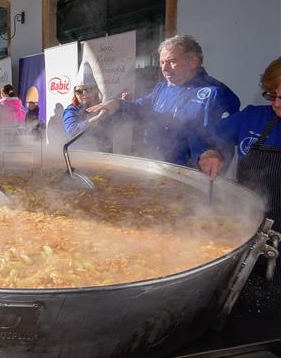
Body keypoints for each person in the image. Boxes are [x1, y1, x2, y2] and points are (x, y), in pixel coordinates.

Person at [88, 34, 240, 167]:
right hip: (153, 165)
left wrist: (211, 155)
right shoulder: (162, 88)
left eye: (171, 61)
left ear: (193, 61)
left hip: (188, 176)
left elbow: (224, 143)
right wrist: (118, 103)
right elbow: (142, 108)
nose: (165, 68)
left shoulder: (216, 94)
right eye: (162, 63)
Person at [198, 57, 281, 228]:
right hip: (247, 222)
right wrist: (209, 152)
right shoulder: (252, 117)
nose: (277, 104)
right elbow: (205, 136)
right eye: (272, 96)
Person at [62, 62, 115, 152]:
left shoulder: (103, 106)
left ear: (95, 90)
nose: (84, 94)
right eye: (79, 91)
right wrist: (97, 117)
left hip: (105, 155)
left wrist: (120, 103)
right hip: (81, 158)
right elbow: (73, 131)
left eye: (87, 89)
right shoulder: (71, 110)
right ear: (75, 93)